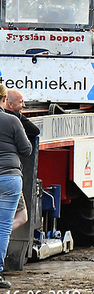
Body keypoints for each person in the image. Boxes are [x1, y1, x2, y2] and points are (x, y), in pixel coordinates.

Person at [0, 87, 32, 288]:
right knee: (3, 227)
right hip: (9, 179)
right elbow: (26, 150)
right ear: (4, 99)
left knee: (11, 221)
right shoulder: (12, 121)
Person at [1, 89, 39, 231]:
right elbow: (30, 142)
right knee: (20, 217)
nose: (24, 105)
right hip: (9, 176)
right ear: (7, 102)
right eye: (21, 102)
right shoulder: (13, 119)